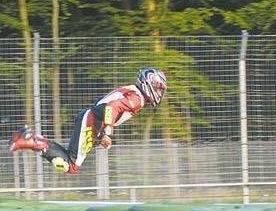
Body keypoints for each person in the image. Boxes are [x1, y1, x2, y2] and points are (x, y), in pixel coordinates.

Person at [9, 68, 167, 173]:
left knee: (70, 164)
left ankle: (29, 139)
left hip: (93, 120)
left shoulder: (133, 93)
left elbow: (108, 107)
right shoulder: (137, 98)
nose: (159, 93)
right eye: (158, 89)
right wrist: (107, 133)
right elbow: (111, 108)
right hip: (93, 121)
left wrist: (101, 134)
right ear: (149, 83)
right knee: (70, 165)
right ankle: (28, 140)